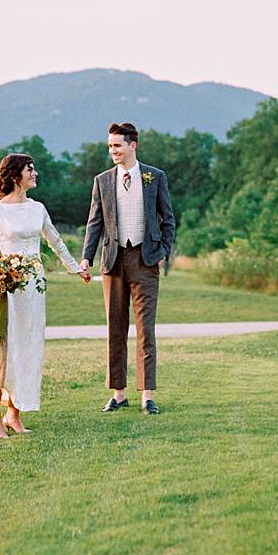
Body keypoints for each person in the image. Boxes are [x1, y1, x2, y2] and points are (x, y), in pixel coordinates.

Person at [0, 153, 91, 438]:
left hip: (33, 289)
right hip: (6, 291)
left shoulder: (38, 208)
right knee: (2, 347)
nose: (35, 173)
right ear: (16, 176)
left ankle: (14, 413)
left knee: (28, 347)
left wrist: (76, 268)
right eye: (30, 169)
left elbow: (55, 241)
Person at [80, 122, 176, 415]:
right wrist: (87, 257)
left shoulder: (154, 177)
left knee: (146, 330)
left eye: (117, 146)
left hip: (145, 260)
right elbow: (94, 222)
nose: (112, 151)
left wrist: (162, 252)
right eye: (110, 146)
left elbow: (168, 219)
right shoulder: (102, 180)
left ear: (133, 145)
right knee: (115, 327)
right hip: (113, 261)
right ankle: (118, 394)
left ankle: (147, 395)